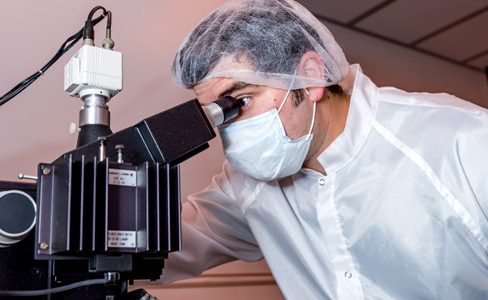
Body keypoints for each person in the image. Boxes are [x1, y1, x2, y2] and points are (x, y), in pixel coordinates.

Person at [156, 0, 488, 299]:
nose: (231, 129)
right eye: (217, 114)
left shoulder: (464, 142)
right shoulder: (247, 185)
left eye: (241, 101)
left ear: (310, 76)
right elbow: (162, 244)